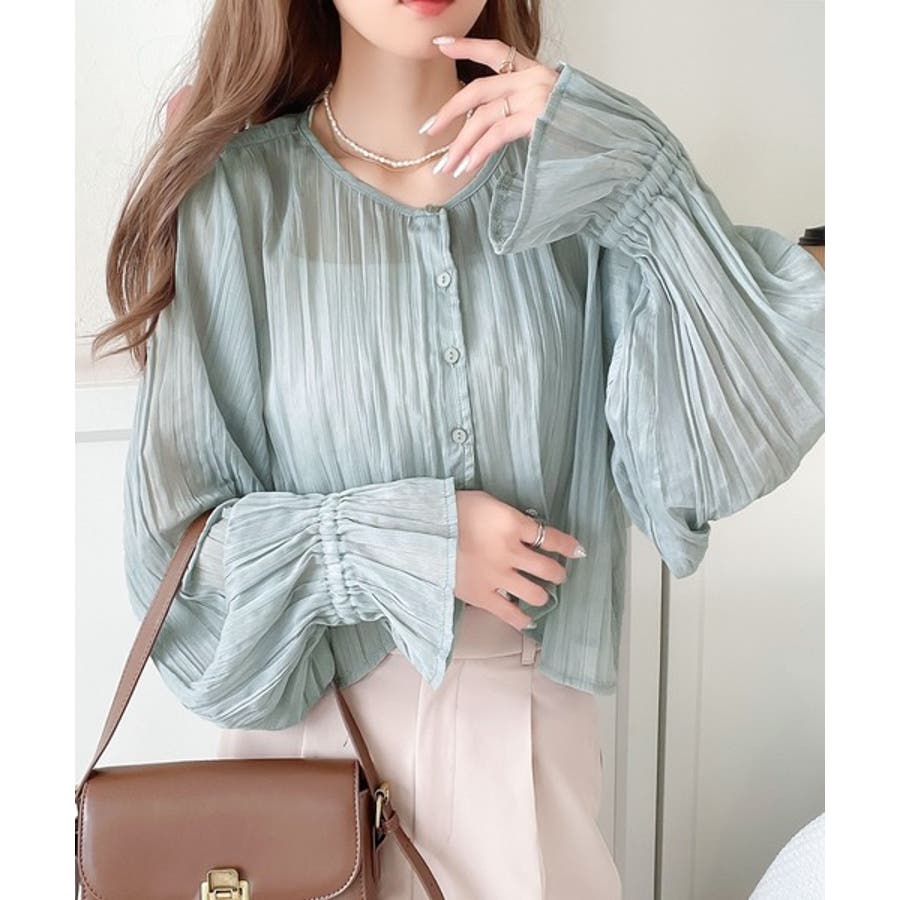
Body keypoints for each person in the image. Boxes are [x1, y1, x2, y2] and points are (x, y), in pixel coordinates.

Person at [90, 0, 826, 897]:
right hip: (307, 774)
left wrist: (646, 181)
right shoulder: (241, 197)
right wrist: (411, 542)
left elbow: (720, 453)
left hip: (528, 775)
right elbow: (177, 574)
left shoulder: (585, 185)